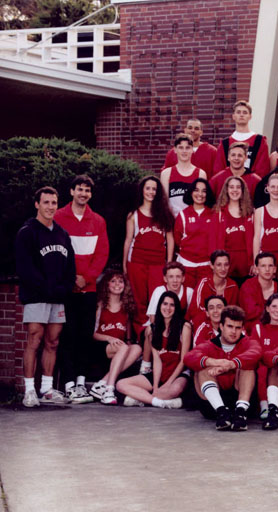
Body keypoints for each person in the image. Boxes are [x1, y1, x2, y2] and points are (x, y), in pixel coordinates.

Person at [54, 175, 109, 402]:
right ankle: (67, 384)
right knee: (66, 336)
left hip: (87, 290)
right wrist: (71, 278)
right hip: (66, 289)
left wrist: (86, 278)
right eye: (79, 189)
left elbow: (102, 254)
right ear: (71, 191)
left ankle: (80, 383)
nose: (83, 194)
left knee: (84, 337)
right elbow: (56, 252)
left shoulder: (98, 220)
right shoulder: (58, 217)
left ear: (91, 195)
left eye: (87, 190)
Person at [185, 305, 261, 431]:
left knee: (247, 365)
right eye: (230, 326)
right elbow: (189, 357)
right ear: (221, 326)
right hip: (212, 407)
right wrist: (214, 362)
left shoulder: (248, 342)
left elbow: (256, 352)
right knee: (203, 367)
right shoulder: (209, 344)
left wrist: (231, 364)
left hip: (242, 402)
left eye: (237, 328)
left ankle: (240, 413)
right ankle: (221, 412)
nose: (234, 331)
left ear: (242, 329)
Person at [117, 291, 191, 408]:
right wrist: (156, 386)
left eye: (172, 305)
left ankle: (141, 398)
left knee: (175, 390)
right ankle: (159, 402)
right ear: (159, 306)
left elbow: (183, 361)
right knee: (120, 384)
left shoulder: (184, 327)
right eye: (165, 304)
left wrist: (168, 383)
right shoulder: (153, 328)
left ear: (176, 308)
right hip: (159, 373)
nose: (167, 308)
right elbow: (157, 361)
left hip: (177, 374)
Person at [88, 270, 143, 405]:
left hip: (118, 351)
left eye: (120, 281)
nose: (117, 284)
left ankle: (102, 383)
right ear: (106, 285)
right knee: (123, 347)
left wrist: (125, 345)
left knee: (136, 348)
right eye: (113, 281)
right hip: (101, 347)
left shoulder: (126, 307)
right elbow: (92, 333)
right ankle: (109, 389)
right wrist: (108, 338)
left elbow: (128, 338)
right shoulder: (100, 305)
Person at [122, 176, 174, 317]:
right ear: (142, 190)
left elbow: (170, 239)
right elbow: (128, 240)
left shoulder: (164, 214)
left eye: (154, 189)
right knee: (139, 299)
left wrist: (168, 262)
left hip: (157, 263)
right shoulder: (133, 215)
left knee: (156, 298)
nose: (151, 192)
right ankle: (140, 333)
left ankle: (154, 330)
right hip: (137, 262)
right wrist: (124, 264)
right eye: (148, 188)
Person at [253, 293, 278, 419]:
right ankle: (264, 406)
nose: (277, 310)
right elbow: (255, 351)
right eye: (274, 306)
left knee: (275, 369)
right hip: (263, 366)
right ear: (267, 308)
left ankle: (275, 406)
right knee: (262, 370)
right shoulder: (258, 328)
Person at [172, 178, 217, 288]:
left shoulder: (213, 214)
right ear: (191, 192)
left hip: (206, 265)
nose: (200, 194)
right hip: (186, 264)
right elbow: (177, 239)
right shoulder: (183, 215)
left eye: (204, 191)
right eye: (196, 190)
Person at [213, 100, 271, 178]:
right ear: (233, 116)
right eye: (238, 112)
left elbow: (263, 169)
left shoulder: (260, 141)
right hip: (230, 186)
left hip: (251, 186)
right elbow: (219, 170)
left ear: (250, 116)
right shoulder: (225, 143)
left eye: (245, 112)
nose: (241, 115)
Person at [213, 175, 254, 282]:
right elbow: (213, 240)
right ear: (226, 190)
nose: (235, 190)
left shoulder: (250, 213)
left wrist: (254, 262)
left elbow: (256, 239)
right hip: (226, 262)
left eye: (238, 187)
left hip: (246, 262)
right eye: (231, 187)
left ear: (242, 190)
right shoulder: (219, 212)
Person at [161, 133, 207, 216]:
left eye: (187, 148)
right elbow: (164, 203)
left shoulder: (200, 174)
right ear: (175, 149)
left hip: (193, 222)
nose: (184, 151)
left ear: (192, 150)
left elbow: (201, 203)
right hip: (173, 221)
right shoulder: (166, 173)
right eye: (181, 148)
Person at [188, 250, 239, 323]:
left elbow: (233, 311)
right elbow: (196, 311)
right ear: (212, 266)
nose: (223, 268)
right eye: (219, 265)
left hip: (224, 325)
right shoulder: (204, 283)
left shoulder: (233, 286)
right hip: (203, 322)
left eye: (226, 264)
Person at [239, 253, 278, 329]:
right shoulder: (248, 286)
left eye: (270, 266)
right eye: (263, 266)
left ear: (275, 269)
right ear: (257, 269)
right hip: (252, 330)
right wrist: (274, 312)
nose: (267, 269)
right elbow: (250, 313)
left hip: (276, 328)